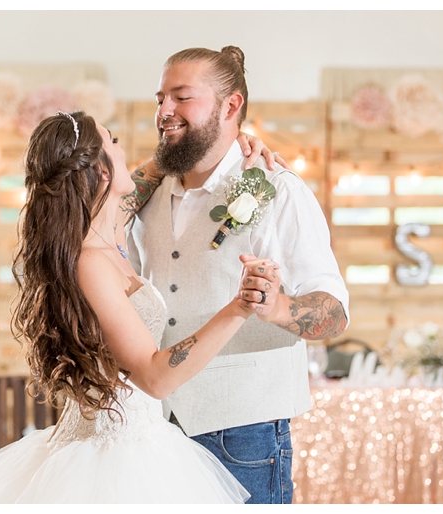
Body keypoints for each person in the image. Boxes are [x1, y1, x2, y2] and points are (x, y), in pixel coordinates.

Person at [0, 111, 283, 503]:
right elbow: (155, 378)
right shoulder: (90, 263)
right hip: (111, 460)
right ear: (100, 172)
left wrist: (233, 142)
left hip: (143, 440)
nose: (124, 151)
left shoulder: (111, 227)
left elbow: (156, 168)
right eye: (113, 142)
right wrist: (239, 307)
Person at [124, 46, 349, 504]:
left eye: (182, 98)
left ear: (231, 106)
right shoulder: (143, 195)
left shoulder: (281, 190)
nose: (165, 111)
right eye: (160, 98)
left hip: (244, 436)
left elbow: (336, 314)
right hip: (152, 429)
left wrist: (278, 306)